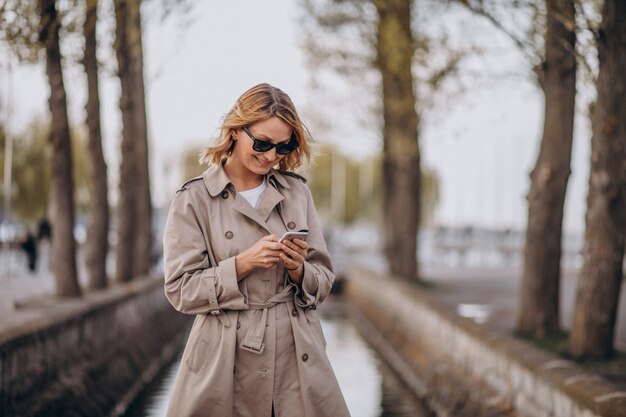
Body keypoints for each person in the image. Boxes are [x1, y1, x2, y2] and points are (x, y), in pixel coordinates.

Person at [162, 83, 351, 417]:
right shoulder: (194, 199)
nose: (271, 156)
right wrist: (241, 264)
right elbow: (180, 290)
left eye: (283, 146)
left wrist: (299, 269)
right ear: (235, 130)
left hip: (296, 355)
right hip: (224, 359)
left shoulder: (296, 193)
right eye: (262, 143)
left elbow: (323, 281)